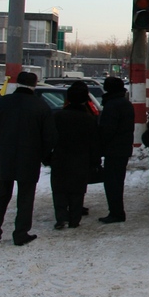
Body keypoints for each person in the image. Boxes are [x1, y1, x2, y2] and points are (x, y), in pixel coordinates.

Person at [0, 71, 57, 246]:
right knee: (26, 196)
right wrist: (42, 154)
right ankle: (21, 233)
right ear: (35, 84)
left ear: (17, 83)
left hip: (4, 155)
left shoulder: (1, 103)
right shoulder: (41, 106)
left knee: (0, 193)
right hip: (30, 156)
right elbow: (49, 137)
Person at [48, 81, 100, 229]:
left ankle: (61, 217)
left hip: (60, 158)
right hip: (81, 159)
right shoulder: (89, 119)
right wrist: (95, 162)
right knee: (77, 190)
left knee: (59, 189)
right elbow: (94, 142)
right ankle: (74, 219)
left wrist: (47, 157)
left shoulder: (58, 116)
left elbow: (49, 138)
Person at [98, 76, 135, 224]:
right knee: (117, 181)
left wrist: (100, 146)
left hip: (113, 150)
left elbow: (107, 130)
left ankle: (116, 212)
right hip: (123, 148)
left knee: (112, 182)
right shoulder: (125, 103)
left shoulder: (112, 105)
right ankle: (116, 211)